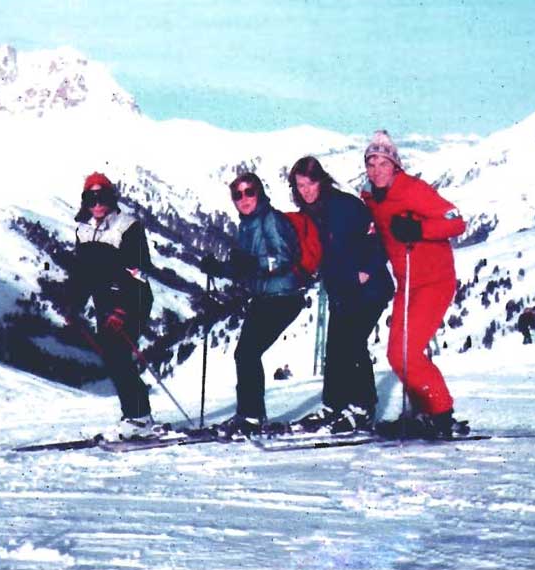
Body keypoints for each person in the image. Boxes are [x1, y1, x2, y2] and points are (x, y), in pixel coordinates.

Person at [359, 130, 467, 438]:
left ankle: (440, 412)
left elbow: (456, 221)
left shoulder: (413, 190)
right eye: (371, 164)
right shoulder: (373, 199)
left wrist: (418, 228)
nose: (377, 170)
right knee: (397, 354)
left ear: (395, 165)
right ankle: (423, 412)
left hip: (435, 281)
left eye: (383, 163)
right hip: (407, 283)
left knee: (405, 353)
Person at [286, 156, 394, 434]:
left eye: (311, 183)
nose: (306, 190)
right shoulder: (310, 214)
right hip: (341, 290)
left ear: (321, 181)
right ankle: (334, 404)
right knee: (335, 348)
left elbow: (378, 238)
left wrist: (366, 271)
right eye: (300, 185)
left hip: (369, 288)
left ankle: (363, 406)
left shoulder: (345, 205)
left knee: (352, 343)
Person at [199, 172, 306, 437]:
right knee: (245, 354)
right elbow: (245, 269)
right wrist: (221, 268)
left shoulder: (270, 220)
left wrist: (251, 264)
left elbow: (282, 258)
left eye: (249, 192)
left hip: (283, 297)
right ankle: (249, 414)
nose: (244, 199)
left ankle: (251, 416)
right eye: (238, 195)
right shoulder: (247, 224)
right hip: (265, 297)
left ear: (259, 193)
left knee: (246, 353)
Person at [64, 172, 157, 440]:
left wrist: (122, 309)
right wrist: (74, 305)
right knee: (113, 357)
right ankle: (135, 414)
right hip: (104, 303)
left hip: (133, 300)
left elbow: (137, 271)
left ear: (111, 197)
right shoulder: (84, 230)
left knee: (117, 353)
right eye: (90, 198)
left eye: (102, 196)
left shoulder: (128, 227)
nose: (97, 203)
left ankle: (139, 416)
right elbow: (83, 274)